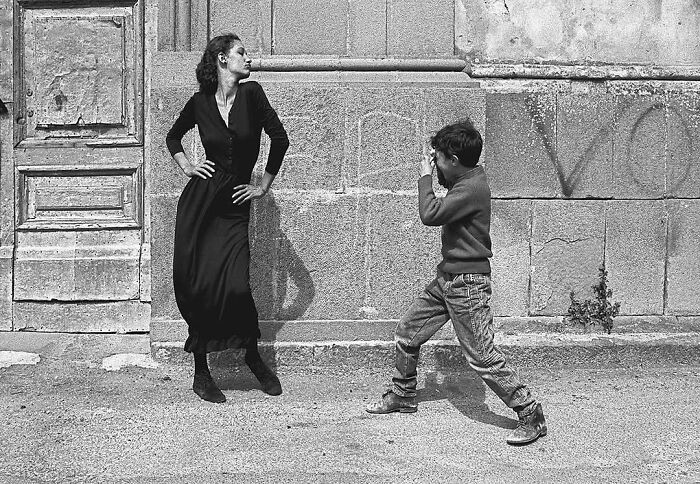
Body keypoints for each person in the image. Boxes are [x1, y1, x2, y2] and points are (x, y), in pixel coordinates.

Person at [365, 120, 547, 445]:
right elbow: (444, 193)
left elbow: (430, 214)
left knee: (482, 355)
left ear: (452, 159)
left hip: (467, 285)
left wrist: (424, 175)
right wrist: (436, 163)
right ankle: (403, 395)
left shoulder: (471, 188)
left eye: (439, 160)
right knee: (407, 333)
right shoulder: (465, 178)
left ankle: (530, 413)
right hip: (447, 279)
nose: (436, 166)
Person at [165, 33, 289, 403]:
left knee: (236, 284)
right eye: (241, 53)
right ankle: (201, 373)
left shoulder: (253, 95)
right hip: (200, 206)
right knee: (200, 286)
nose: (249, 59)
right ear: (222, 59)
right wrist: (188, 166)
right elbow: (173, 138)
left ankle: (252, 355)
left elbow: (279, 139)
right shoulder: (200, 102)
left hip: (234, 205)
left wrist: (262, 185)